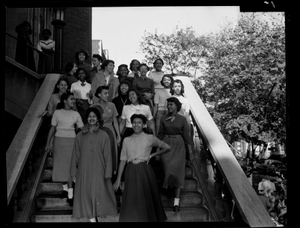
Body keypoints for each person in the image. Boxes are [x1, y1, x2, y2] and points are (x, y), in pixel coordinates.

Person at [112, 114, 170, 222]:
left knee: (146, 198)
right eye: (134, 122)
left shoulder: (150, 138)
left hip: (144, 171)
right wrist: (118, 180)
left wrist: (152, 155)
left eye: (139, 122)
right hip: (130, 171)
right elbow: (123, 160)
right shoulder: (126, 140)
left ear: (144, 124)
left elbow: (167, 147)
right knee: (132, 198)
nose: (136, 125)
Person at [70, 106, 118, 222]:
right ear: (86, 119)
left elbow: (108, 155)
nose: (92, 119)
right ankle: (92, 219)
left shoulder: (104, 135)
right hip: (83, 169)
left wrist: (108, 173)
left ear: (98, 119)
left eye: (94, 116)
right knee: (86, 194)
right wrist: (73, 173)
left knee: (99, 193)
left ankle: (96, 216)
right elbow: (75, 155)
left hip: (99, 169)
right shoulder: (80, 135)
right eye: (90, 116)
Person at [45, 92, 84, 204]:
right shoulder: (57, 113)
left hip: (72, 142)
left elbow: (82, 129)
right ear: (64, 101)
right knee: (60, 166)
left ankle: (70, 196)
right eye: (71, 99)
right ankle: (65, 190)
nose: (73, 101)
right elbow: (52, 129)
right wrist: (48, 143)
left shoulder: (76, 114)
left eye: (74, 99)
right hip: (59, 142)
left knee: (70, 168)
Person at [157, 97, 194, 212]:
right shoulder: (163, 118)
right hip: (166, 145)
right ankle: (169, 188)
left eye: (171, 105)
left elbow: (187, 137)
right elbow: (159, 135)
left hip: (179, 146)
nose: (169, 107)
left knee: (178, 174)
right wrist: (158, 151)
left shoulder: (182, 119)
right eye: (168, 105)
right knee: (167, 170)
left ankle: (176, 202)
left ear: (177, 106)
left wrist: (190, 153)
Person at [91, 86, 121, 175]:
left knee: (111, 152)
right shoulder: (94, 106)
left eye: (108, 93)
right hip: (98, 130)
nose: (107, 95)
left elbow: (115, 121)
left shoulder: (112, 105)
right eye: (105, 93)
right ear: (99, 95)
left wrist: (118, 136)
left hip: (110, 131)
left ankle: (111, 173)